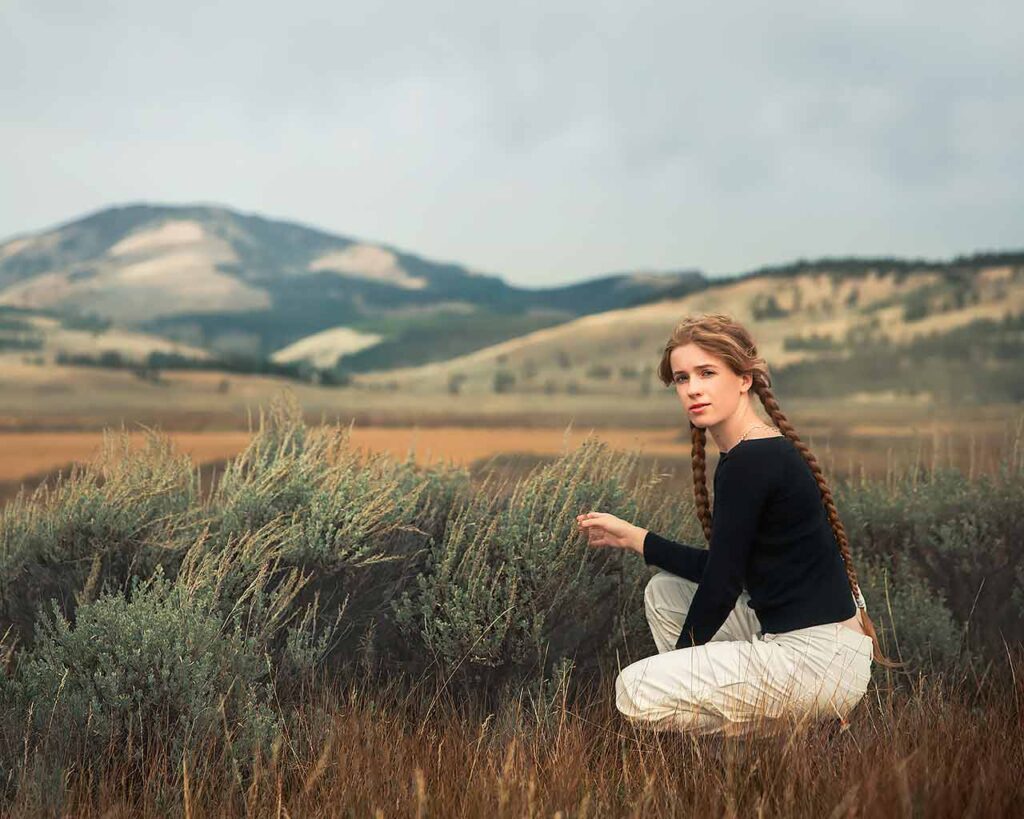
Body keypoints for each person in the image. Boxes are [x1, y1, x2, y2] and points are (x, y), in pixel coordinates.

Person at [576, 313, 899, 737]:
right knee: (664, 593)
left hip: (816, 661)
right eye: (681, 378)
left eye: (707, 373)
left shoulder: (751, 462)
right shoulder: (753, 452)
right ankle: (775, 735)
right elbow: (728, 568)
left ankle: (799, 732)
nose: (692, 388)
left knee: (634, 690)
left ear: (743, 378)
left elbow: (723, 586)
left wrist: (676, 663)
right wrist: (637, 539)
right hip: (824, 647)